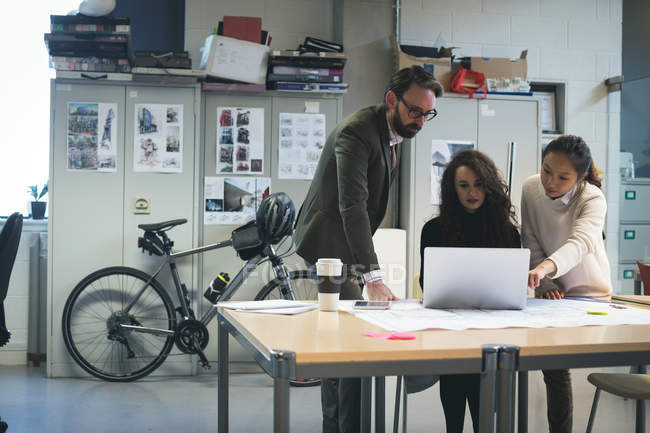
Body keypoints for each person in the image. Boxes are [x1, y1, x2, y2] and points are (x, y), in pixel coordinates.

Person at [294, 65, 443, 433]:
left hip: (346, 241)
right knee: (350, 339)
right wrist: (373, 275)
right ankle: (346, 424)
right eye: (415, 111)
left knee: (342, 338)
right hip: (327, 242)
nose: (421, 121)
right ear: (391, 99)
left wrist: (367, 271)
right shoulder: (357, 132)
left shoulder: (394, 133)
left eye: (428, 114)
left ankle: (341, 422)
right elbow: (352, 206)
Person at [418, 150, 520, 433]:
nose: (472, 192)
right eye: (464, 185)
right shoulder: (434, 229)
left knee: (481, 383)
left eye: (478, 185)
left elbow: (512, 285)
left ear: (489, 187)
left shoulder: (507, 232)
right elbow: (428, 284)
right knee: (456, 371)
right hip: (451, 325)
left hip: (493, 327)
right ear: (453, 188)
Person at [521, 135, 612, 433]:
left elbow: (581, 242)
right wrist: (545, 282)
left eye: (563, 177)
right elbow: (531, 240)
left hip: (590, 294)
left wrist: (545, 269)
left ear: (580, 176)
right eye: (547, 170)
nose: (551, 182)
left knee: (558, 363)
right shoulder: (530, 188)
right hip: (554, 293)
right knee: (554, 367)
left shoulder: (592, 198)